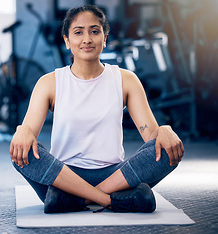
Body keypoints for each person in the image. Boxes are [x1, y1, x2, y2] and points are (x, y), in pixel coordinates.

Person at [10, 5, 184, 214]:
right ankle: (111, 201)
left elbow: (153, 139)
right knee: (22, 151)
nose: (87, 39)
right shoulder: (49, 83)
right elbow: (28, 136)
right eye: (78, 32)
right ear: (66, 41)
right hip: (62, 176)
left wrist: (165, 130)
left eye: (94, 31)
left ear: (105, 38)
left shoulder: (126, 80)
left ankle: (76, 201)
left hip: (116, 176)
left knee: (168, 149)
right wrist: (23, 131)